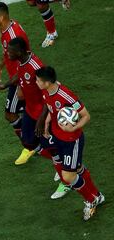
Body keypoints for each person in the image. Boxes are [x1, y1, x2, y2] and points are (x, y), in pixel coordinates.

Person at [35, 66, 104, 220]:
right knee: (77, 168)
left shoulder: (67, 96)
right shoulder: (46, 91)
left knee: (67, 176)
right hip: (57, 136)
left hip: (72, 141)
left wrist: (74, 127)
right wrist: (46, 122)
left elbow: (86, 116)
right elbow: (49, 106)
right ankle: (97, 195)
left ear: (47, 82)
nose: (36, 82)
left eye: (38, 80)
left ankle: (91, 200)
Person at [7, 37, 70, 198]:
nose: (7, 53)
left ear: (20, 52)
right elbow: (19, 75)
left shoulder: (36, 67)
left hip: (43, 113)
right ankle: (63, 165)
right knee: (28, 141)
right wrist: (5, 85)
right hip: (30, 111)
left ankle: (66, 182)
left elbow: (47, 95)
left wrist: (42, 120)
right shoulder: (22, 62)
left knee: (52, 147)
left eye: (10, 51)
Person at [0, 2, 34, 165]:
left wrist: (20, 84)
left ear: (1, 17)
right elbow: (6, 52)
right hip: (17, 77)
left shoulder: (14, 34)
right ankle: (33, 141)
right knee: (30, 112)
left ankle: (30, 145)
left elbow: (26, 59)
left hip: (20, 79)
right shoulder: (5, 28)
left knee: (11, 114)